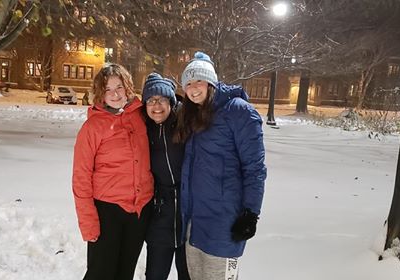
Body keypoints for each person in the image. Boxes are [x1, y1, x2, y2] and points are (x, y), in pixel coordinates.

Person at [174, 51, 267, 280]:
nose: (194, 88)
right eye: (188, 83)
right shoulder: (192, 114)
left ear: (211, 83)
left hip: (224, 224)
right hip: (194, 223)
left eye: (199, 81)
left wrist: (250, 213)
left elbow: (255, 168)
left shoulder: (238, 111)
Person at [72, 63, 154, 280]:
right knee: (101, 274)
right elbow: (81, 177)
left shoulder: (141, 118)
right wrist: (89, 222)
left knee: (124, 273)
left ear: (127, 87)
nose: (115, 94)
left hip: (138, 211)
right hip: (107, 212)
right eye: (108, 89)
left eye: (119, 87)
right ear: (101, 93)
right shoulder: (92, 128)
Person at [142, 73, 190, 280]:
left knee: (188, 274)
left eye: (161, 99)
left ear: (171, 101)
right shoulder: (142, 128)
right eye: (151, 100)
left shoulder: (186, 123)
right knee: (155, 274)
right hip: (159, 213)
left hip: (189, 213)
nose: (157, 106)